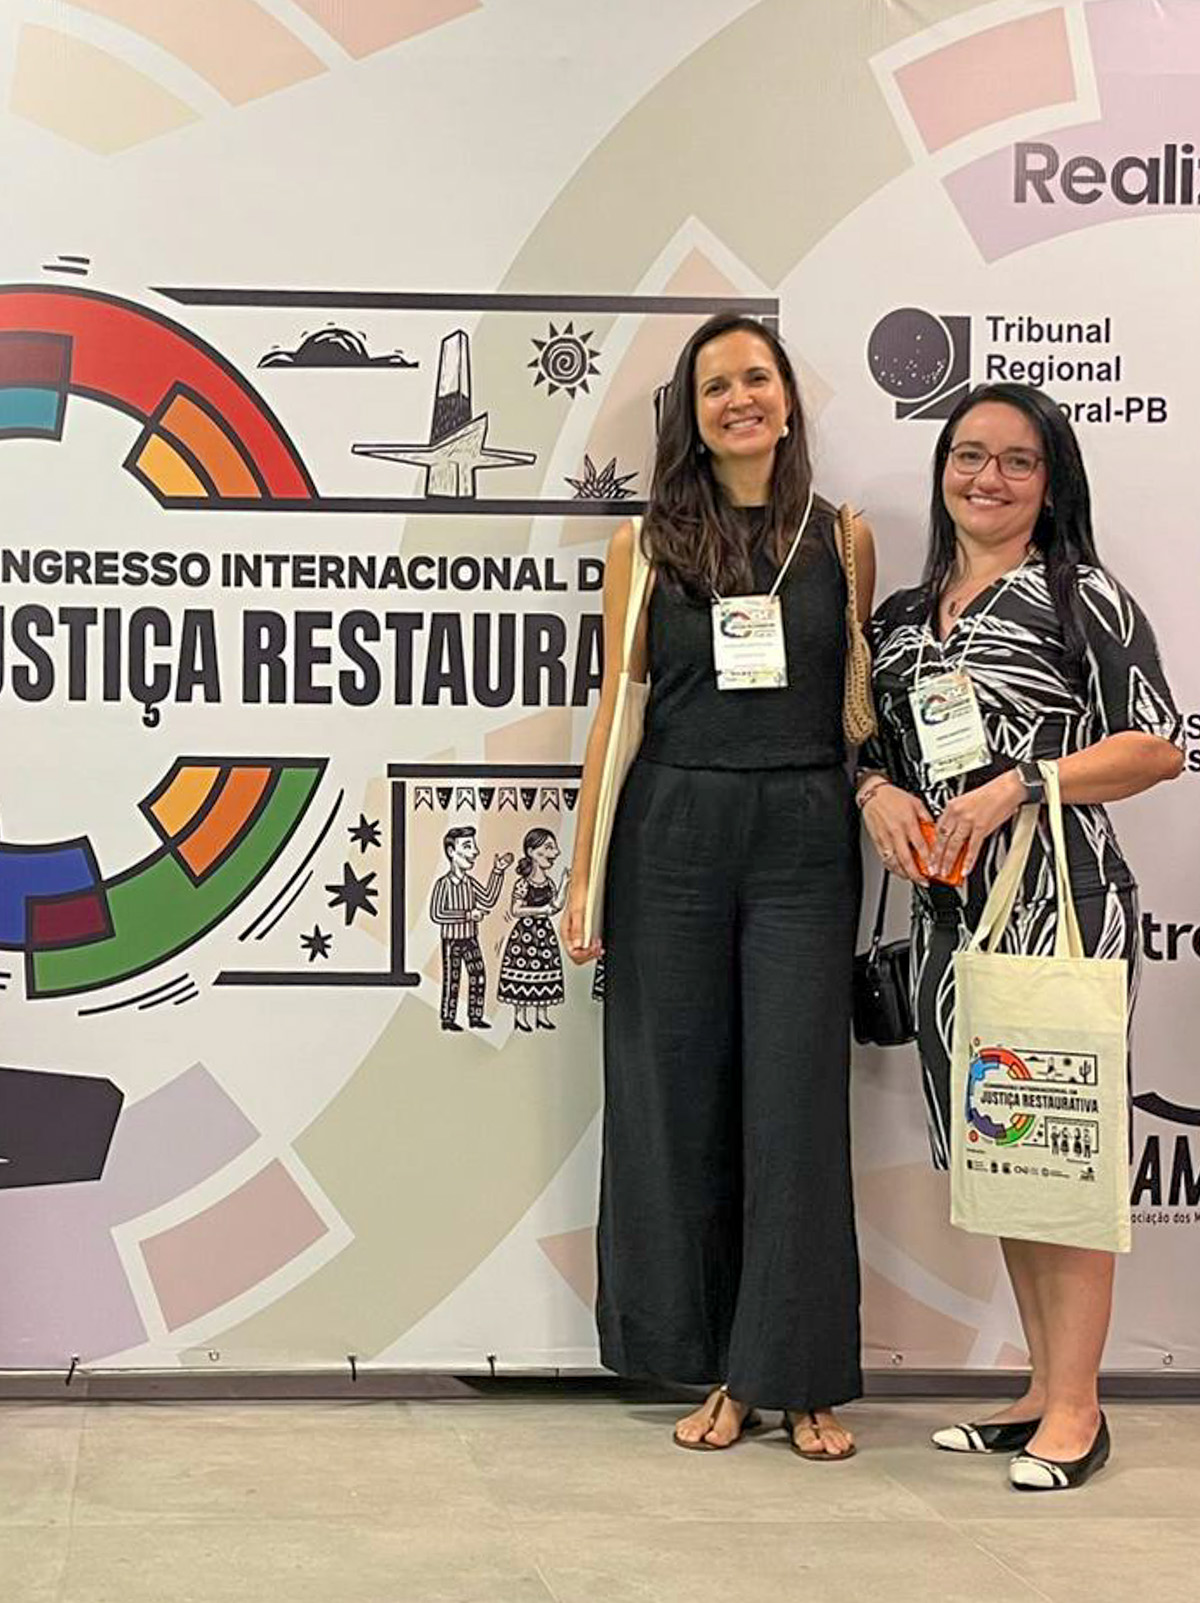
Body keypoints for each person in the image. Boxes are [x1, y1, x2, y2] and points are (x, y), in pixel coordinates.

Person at [561, 311, 873, 1461]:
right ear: (689, 420)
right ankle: (721, 1374)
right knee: (674, 1099)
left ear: (786, 398)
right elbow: (619, 714)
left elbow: (856, 718)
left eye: (754, 378)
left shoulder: (842, 539)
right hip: (673, 836)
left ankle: (795, 1376)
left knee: (793, 1106)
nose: (737, 398)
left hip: (799, 836)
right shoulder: (645, 548)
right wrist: (584, 879)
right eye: (712, 388)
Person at [857, 382, 1181, 1491]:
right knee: (1008, 1152)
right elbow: (861, 742)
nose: (985, 478)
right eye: (966, 455)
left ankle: (1080, 1411)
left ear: (1050, 484)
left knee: (1064, 1152)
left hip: (1056, 909)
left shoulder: (1076, 592)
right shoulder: (899, 617)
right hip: (949, 918)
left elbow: (1157, 745)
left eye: (1015, 461)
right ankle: (1041, 1386)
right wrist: (872, 795)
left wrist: (1022, 783)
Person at [430, 827, 510, 1031]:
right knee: (452, 979)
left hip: (470, 938)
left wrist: (498, 871)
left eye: (473, 846)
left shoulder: (470, 883)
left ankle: (475, 1016)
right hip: (452, 940)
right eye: (467, 846)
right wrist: (467, 915)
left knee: (479, 975)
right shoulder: (443, 884)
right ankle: (448, 1019)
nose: (474, 851)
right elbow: (437, 914)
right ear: (451, 852)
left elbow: (489, 899)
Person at [497, 828, 566, 1032]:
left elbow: (555, 906)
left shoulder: (549, 883)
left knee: (544, 972)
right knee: (523, 972)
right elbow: (515, 910)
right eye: (548, 848)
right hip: (526, 935)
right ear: (532, 852)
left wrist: (565, 884)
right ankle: (520, 1016)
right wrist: (540, 910)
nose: (555, 853)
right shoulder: (523, 884)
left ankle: (542, 1014)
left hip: (544, 934)